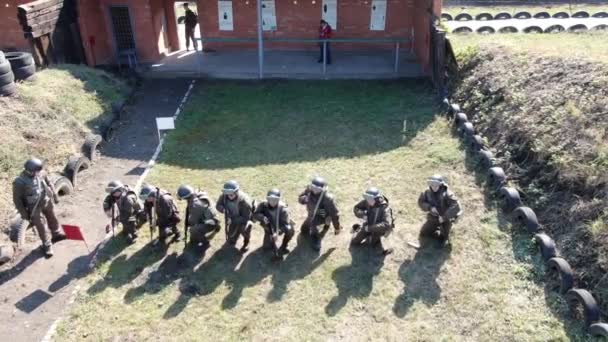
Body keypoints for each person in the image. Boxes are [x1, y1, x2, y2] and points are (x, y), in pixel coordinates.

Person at [12, 158, 66, 257]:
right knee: (41, 226)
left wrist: (55, 195)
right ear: (30, 170)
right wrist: (24, 214)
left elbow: (49, 183)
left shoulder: (41, 173)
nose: (39, 172)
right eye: (37, 171)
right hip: (33, 208)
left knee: (52, 217)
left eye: (39, 170)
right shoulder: (19, 182)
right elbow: (17, 200)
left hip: (46, 201)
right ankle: (47, 245)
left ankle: (56, 233)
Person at [418, 174, 462, 247]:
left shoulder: (447, 193)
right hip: (433, 217)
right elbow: (421, 202)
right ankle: (436, 229)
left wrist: (444, 217)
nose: (434, 187)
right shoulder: (426, 192)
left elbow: (456, 206)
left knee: (442, 240)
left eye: (436, 185)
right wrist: (430, 207)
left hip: (446, 219)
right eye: (432, 184)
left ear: (441, 184)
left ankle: (443, 232)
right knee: (423, 233)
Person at [298, 176, 341, 251]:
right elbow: (300, 198)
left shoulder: (327, 198)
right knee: (303, 231)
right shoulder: (309, 190)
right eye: (313, 187)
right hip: (311, 214)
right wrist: (304, 199)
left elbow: (334, 214)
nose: (314, 190)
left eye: (318, 188)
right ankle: (319, 227)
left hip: (322, 215)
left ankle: (316, 239)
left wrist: (337, 227)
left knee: (313, 226)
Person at [253, 188, 295, 260]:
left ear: (278, 200)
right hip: (268, 228)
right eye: (270, 199)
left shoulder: (283, 209)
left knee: (290, 230)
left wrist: (277, 232)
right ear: (267, 199)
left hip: (280, 227)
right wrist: (262, 217)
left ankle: (284, 246)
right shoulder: (263, 204)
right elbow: (255, 214)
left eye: (275, 199)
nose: (272, 201)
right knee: (266, 247)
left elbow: (285, 224)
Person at [351, 187, 394, 255]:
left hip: (378, 230)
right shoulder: (367, 201)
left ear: (376, 199)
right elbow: (356, 208)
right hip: (367, 225)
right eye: (367, 199)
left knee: (373, 246)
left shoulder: (385, 208)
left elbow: (387, 224)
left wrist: (370, 228)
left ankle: (382, 242)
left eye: (369, 199)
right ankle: (358, 228)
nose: (368, 201)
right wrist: (362, 215)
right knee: (354, 242)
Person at [216, 180, 255, 252]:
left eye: (231, 194)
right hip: (232, 219)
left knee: (245, 229)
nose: (229, 196)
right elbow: (218, 205)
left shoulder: (244, 201)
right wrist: (224, 210)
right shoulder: (224, 196)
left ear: (236, 191)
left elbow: (246, 218)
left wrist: (232, 220)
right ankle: (235, 236)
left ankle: (246, 242)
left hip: (243, 220)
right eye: (228, 194)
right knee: (231, 239)